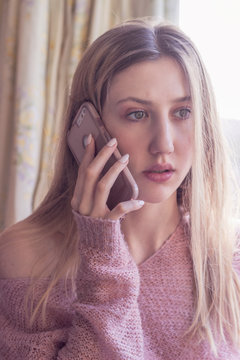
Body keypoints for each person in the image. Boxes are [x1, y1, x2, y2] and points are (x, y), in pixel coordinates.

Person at [0, 18, 240, 360]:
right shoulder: (25, 257)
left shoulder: (227, 252)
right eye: (137, 114)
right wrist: (102, 256)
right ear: (88, 130)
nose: (164, 144)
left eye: (182, 112)